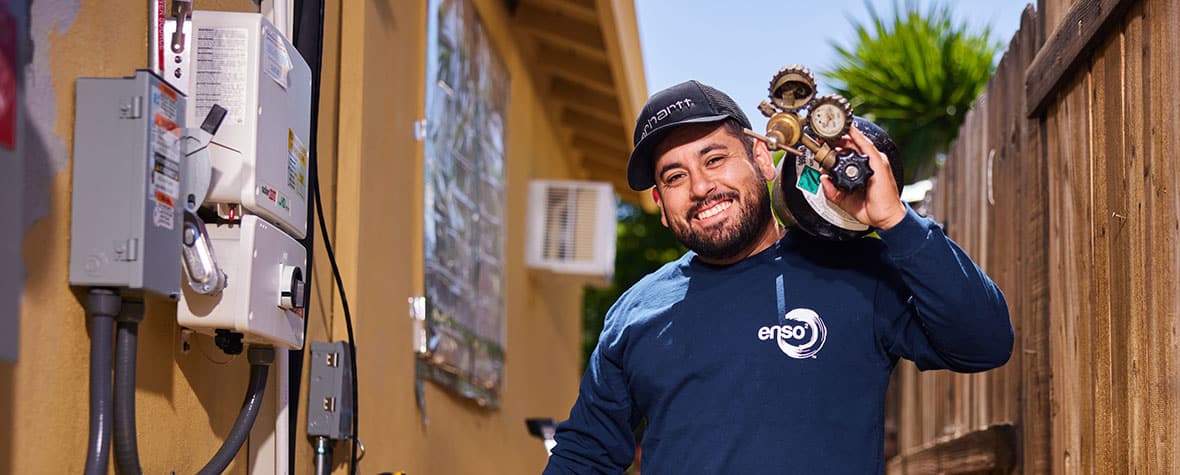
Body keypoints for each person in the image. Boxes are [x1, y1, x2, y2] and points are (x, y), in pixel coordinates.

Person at [542, 80, 1013, 474]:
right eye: (674, 177)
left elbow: (984, 342)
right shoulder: (635, 312)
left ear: (763, 160)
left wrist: (897, 223)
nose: (701, 188)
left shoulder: (855, 271)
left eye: (714, 159)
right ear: (662, 208)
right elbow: (585, 455)